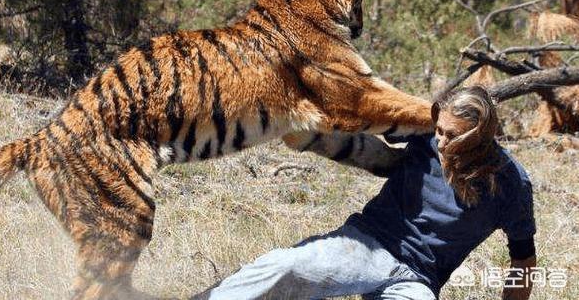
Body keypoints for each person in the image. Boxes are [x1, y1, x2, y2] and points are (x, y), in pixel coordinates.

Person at [192, 86, 536, 300]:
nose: (440, 141)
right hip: (368, 244)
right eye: (439, 131)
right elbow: (366, 115)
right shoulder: (425, 132)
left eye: (452, 136)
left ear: (480, 137)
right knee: (285, 266)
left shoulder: (512, 185)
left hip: (418, 280)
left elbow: (523, 260)